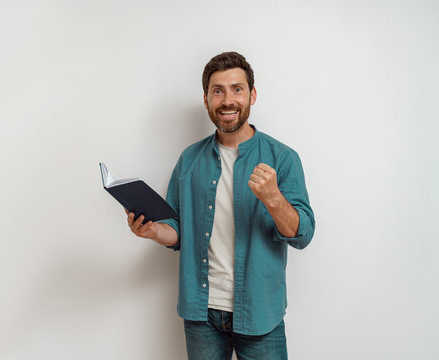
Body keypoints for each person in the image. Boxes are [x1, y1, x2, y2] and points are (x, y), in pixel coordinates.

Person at [125, 51, 315, 360]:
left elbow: (303, 234)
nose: (228, 100)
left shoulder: (282, 158)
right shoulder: (189, 160)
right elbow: (177, 230)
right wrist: (153, 231)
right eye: (218, 91)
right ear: (206, 100)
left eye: (237, 89)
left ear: (252, 94)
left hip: (259, 313)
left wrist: (273, 198)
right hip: (201, 314)